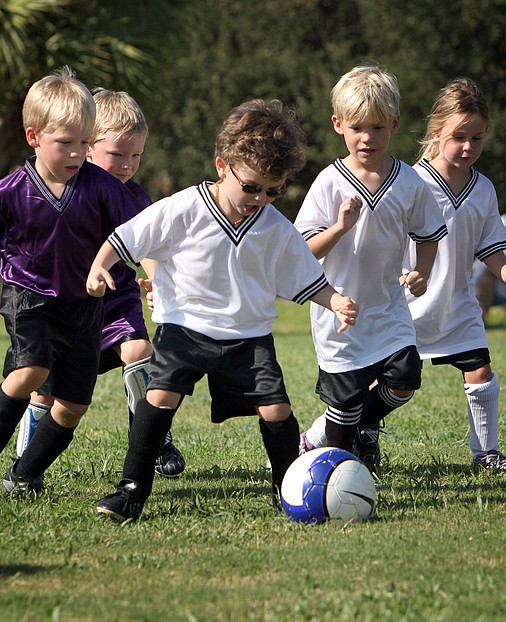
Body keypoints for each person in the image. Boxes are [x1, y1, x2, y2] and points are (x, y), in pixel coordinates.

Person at [87, 99, 358, 522]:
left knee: (277, 410)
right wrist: (100, 266)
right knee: (159, 396)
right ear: (221, 165)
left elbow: (304, 275)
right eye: (250, 186)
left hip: (248, 338)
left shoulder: (274, 227)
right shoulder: (184, 208)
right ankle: (132, 489)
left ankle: (288, 488)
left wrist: (335, 300)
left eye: (273, 190)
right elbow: (126, 238)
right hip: (184, 330)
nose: (260, 198)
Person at [0, 67, 137, 498]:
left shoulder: (103, 187)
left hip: (84, 307)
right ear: (34, 137)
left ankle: (26, 473)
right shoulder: (10, 191)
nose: (76, 154)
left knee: (73, 405)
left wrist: (151, 273)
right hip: (29, 297)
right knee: (31, 370)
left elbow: (134, 234)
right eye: (65, 143)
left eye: (83, 144)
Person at [15, 88, 186, 479]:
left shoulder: (135, 197)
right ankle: (27, 461)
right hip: (67, 307)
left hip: (117, 300)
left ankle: (152, 438)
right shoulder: (64, 190)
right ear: (88, 147)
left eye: (136, 155)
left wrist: (158, 283)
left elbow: (147, 246)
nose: (127, 165)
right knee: (45, 388)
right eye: (118, 154)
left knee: (140, 349)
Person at [294, 64, 447, 472]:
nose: (368, 137)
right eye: (358, 127)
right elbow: (303, 249)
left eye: (378, 127)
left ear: (395, 124)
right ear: (338, 124)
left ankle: (357, 428)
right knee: (343, 407)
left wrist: (423, 271)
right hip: (338, 313)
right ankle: (339, 469)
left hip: (388, 309)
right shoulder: (329, 182)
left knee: (405, 379)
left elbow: (429, 234)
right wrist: (340, 227)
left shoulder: (410, 183)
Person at [407, 78, 506, 471]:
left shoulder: (483, 189)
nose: (467, 147)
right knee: (389, 383)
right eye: (458, 136)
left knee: (481, 372)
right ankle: (352, 439)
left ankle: (486, 452)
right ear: (435, 131)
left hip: (458, 305)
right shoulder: (411, 182)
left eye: (476, 138)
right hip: (405, 307)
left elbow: (491, 245)